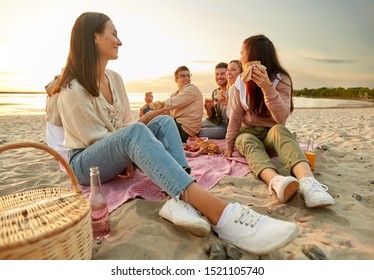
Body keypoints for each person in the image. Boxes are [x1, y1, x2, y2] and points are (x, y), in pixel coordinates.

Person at [51, 12, 298, 255]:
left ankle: (176, 198)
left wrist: (124, 151)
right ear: (94, 38)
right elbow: (96, 139)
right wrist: (124, 153)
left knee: (165, 123)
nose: (120, 41)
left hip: (115, 151)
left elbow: (126, 122)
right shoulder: (72, 88)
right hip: (86, 163)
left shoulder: (114, 78)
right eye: (113, 34)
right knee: (136, 132)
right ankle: (222, 213)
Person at [225, 34, 334, 208]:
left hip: (271, 134)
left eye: (242, 53)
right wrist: (229, 145)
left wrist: (267, 87)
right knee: (244, 139)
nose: (240, 58)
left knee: (280, 130)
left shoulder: (281, 79)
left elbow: (281, 118)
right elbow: (236, 116)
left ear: (254, 55)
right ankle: (276, 181)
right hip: (249, 134)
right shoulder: (240, 82)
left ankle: (309, 183)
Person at [141, 66, 204, 142]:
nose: (187, 78)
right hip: (177, 125)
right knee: (150, 113)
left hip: (185, 131)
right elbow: (166, 112)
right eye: (183, 76)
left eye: (188, 76)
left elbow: (171, 103)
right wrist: (151, 106)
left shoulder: (192, 89)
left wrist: (149, 106)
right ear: (176, 79)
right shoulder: (175, 95)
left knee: (147, 111)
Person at [198, 62, 229, 139]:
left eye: (222, 74)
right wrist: (208, 110)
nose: (219, 77)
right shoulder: (216, 92)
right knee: (193, 125)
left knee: (198, 132)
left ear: (228, 74)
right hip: (217, 122)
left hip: (227, 128)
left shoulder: (233, 91)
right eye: (217, 74)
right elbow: (211, 116)